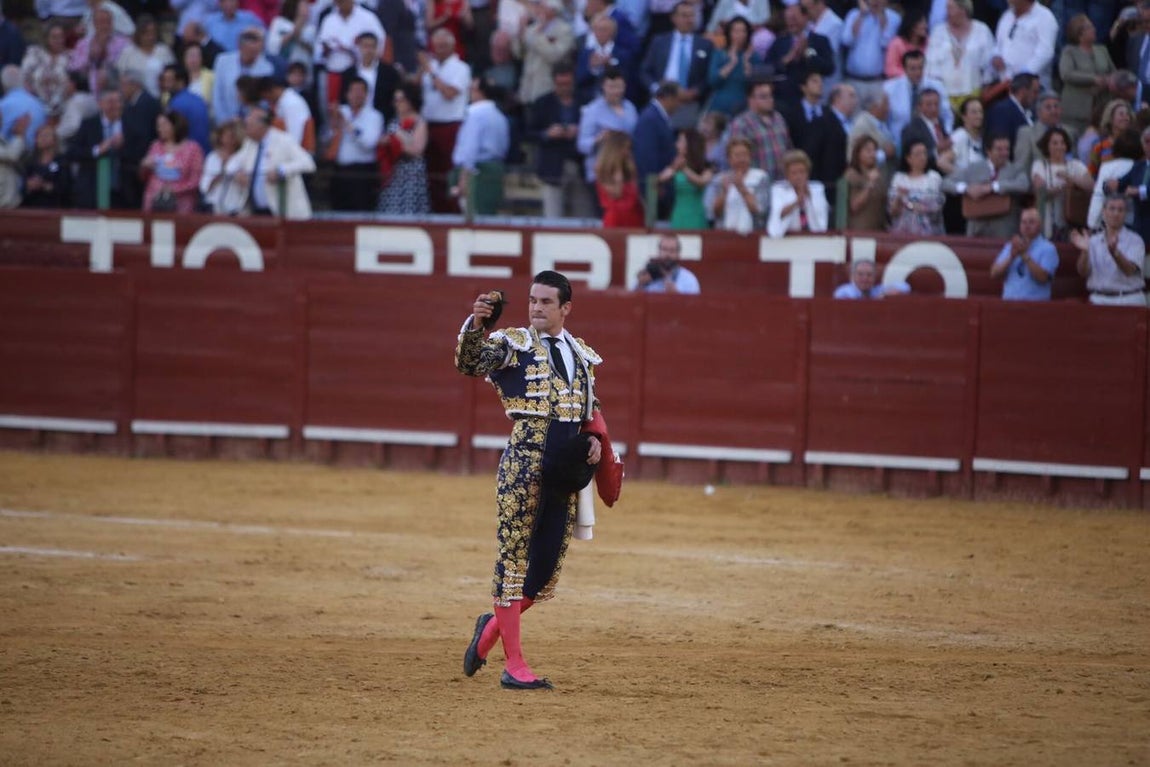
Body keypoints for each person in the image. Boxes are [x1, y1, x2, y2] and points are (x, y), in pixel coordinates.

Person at [456, 270, 604, 691]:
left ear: (565, 308)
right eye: (532, 300)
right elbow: (468, 362)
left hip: (564, 473)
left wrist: (594, 440)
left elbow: (589, 410)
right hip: (524, 464)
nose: (536, 308)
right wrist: (479, 326)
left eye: (545, 302)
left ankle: (488, 631)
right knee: (514, 562)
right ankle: (514, 665)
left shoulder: (583, 355)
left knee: (542, 577)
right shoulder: (512, 344)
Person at [224, 102, 316, 218]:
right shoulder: (249, 144)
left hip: (284, 213)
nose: (246, 129)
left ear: (262, 125)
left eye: (249, 125)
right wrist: (237, 173)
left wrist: (281, 170)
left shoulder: (283, 140)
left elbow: (308, 163)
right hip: (255, 212)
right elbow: (230, 165)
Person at [418, 28, 471, 213]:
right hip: (429, 124)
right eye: (436, 46)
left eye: (442, 46)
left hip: (450, 125)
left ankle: (452, 211)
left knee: (448, 173)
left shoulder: (461, 68)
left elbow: (449, 93)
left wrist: (432, 73)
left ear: (451, 46)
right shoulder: (431, 66)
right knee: (431, 175)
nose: (438, 50)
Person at [639, 1, 714, 131]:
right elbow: (645, 71)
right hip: (661, 98)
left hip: (688, 102)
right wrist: (656, 88)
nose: (689, 20)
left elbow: (708, 76)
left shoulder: (705, 45)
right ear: (673, 18)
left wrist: (696, 91)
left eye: (692, 15)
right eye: (684, 16)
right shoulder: (659, 41)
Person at [530, 64, 592, 219]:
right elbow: (528, 133)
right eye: (560, 84)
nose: (564, 88)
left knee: (583, 216)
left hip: (580, 165)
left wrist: (579, 132)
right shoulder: (542, 103)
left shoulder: (586, 101)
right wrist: (548, 134)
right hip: (553, 167)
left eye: (568, 84)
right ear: (553, 82)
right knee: (553, 217)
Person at [941, 133, 1030, 237]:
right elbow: (945, 183)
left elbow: (1024, 185)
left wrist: (992, 187)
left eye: (1007, 149)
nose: (1004, 153)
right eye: (999, 149)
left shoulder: (1016, 169)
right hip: (977, 227)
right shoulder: (974, 168)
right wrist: (966, 189)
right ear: (988, 151)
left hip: (1005, 228)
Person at [1072, 194, 1147, 306]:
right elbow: (1082, 272)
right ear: (1104, 212)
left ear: (1125, 214)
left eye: (1120, 210)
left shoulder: (1135, 240)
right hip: (1098, 299)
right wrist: (1085, 251)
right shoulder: (1093, 241)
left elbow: (1129, 271)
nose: (1116, 213)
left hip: (1128, 299)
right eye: (1112, 209)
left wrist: (1115, 253)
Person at [450, 76, 510, 215]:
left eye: (472, 89)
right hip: (495, 170)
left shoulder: (475, 114)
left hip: (477, 173)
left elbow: (470, 147)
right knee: (489, 215)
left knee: (474, 217)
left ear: (480, 92)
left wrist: (464, 177)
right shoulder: (499, 116)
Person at [924, 0, 994, 111]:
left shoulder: (982, 30)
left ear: (963, 10)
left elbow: (988, 66)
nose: (946, 12)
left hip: (973, 95)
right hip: (944, 98)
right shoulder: (938, 32)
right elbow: (930, 66)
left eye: (950, 8)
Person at [575, 66, 637, 188]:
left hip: (626, 171)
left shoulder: (630, 108)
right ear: (603, 87)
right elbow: (581, 144)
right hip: (602, 172)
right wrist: (599, 139)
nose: (616, 91)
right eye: (612, 87)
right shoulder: (592, 111)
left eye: (619, 87)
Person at [765, 3, 835, 106]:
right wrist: (787, 59)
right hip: (784, 99)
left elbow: (829, 68)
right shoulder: (779, 42)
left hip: (810, 99)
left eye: (794, 18)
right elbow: (767, 68)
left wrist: (808, 52)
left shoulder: (819, 40)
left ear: (805, 17)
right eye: (788, 19)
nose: (790, 22)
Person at [884, 50, 953, 155]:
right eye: (913, 69)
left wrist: (945, 136)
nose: (917, 72)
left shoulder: (937, 86)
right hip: (898, 144)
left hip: (931, 143)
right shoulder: (890, 88)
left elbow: (947, 115)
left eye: (920, 68)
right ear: (904, 69)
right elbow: (885, 120)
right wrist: (889, 141)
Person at [377, 81, 431, 215]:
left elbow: (418, 149)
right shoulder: (394, 121)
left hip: (411, 173)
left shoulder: (419, 122)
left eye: (401, 100)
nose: (398, 103)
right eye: (396, 100)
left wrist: (397, 142)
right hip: (394, 172)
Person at [1060, 14, 1118, 137]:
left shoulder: (1102, 50)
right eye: (1090, 28)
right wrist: (1093, 79)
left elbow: (1114, 72)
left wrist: (1109, 80)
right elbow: (1066, 74)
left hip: (1102, 107)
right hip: (1077, 112)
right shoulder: (1069, 51)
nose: (1094, 30)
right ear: (1079, 33)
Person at [1032, 126, 1092, 240]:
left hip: (1073, 222)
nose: (1059, 147)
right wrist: (1064, 187)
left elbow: (1090, 185)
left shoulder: (1076, 165)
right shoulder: (1039, 165)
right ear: (1047, 146)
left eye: (1062, 143)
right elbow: (1040, 190)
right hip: (1049, 221)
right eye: (1055, 143)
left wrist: (1071, 179)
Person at [140, 110, 205, 213]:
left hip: (182, 206)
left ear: (176, 125)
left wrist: (173, 190)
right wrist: (144, 166)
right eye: (158, 126)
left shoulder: (193, 149)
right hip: (154, 203)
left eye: (164, 125)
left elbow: (195, 180)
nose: (160, 129)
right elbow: (144, 177)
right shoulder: (155, 146)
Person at [728, 79, 792, 183]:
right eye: (763, 97)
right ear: (750, 99)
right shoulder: (741, 124)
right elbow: (736, 159)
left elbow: (788, 148)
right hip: (756, 184)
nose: (769, 99)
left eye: (770, 95)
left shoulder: (779, 118)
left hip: (782, 184)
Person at [989, 206, 1059, 300]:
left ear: (1040, 225)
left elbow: (1043, 278)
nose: (1027, 226)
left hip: (1035, 306)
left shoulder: (1048, 248)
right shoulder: (1010, 246)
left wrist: (1024, 255)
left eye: (1031, 222)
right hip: (1009, 304)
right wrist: (1011, 256)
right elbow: (994, 273)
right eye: (1024, 222)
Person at [632, 80, 679, 220]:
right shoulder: (650, 119)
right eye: (677, 100)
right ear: (669, 98)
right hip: (656, 187)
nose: (679, 105)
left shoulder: (657, 117)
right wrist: (653, 185)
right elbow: (646, 156)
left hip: (661, 185)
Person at [513, 0, 574, 107]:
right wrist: (520, 34)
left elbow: (555, 56)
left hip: (547, 87)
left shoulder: (565, 30)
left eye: (542, 6)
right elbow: (519, 54)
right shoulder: (532, 29)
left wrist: (538, 36)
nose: (537, 9)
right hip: (529, 89)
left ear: (553, 9)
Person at [840, 0, 901, 104]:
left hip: (877, 82)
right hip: (854, 80)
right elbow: (846, 40)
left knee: (876, 118)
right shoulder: (853, 14)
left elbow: (886, 43)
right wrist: (861, 16)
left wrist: (881, 16)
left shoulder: (894, 18)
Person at [990, 0, 1058, 93]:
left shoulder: (1045, 17)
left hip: (1033, 87)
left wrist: (1023, 76)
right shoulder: (1006, 16)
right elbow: (998, 44)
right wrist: (996, 56)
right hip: (1004, 84)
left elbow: (1045, 52)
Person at [708, 137, 769, 234]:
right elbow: (714, 213)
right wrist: (724, 192)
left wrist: (741, 188)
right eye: (737, 155)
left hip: (753, 235)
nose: (741, 159)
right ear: (729, 159)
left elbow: (761, 211)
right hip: (725, 235)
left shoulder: (761, 177)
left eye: (745, 155)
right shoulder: (720, 179)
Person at [212, 27, 274, 122]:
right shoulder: (223, 61)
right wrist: (225, 122)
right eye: (249, 50)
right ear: (241, 46)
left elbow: (264, 102)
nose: (253, 54)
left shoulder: (267, 68)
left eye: (256, 51)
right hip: (226, 121)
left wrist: (250, 122)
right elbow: (217, 95)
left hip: (251, 123)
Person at [888, 138, 945, 235]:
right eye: (918, 154)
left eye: (924, 153)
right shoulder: (899, 178)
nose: (922, 157)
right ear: (908, 158)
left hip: (930, 232)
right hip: (903, 233)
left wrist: (908, 203)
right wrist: (899, 198)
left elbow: (936, 205)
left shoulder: (933, 177)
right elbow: (892, 211)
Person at [768, 149, 829, 238]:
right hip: (787, 239)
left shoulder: (817, 189)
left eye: (802, 172)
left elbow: (821, 217)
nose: (798, 176)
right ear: (787, 175)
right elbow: (778, 214)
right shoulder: (778, 189)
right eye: (794, 173)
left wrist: (809, 195)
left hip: (812, 238)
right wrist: (797, 201)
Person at [659, 128, 712, 229]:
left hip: (695, 214)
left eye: (680, 141)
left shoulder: (705, 167)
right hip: (678, 213)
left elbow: (701, 181)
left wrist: (684, 169)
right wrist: (673, 169)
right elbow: (660, 179)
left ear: (690, 144)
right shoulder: (675, 165)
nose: (676, 145)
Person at [1088, 127, 1140, 229]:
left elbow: (1098, 196)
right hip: (1134, 224)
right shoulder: (1141, 168)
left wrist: (1092, 224)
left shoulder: (1107, 167)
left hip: (1108, 224)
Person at [706, 17, 757, 118]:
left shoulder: (754, 56)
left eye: (743, 31)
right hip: (719, 107)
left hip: (744, 109)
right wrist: (731, 63)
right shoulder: (719, 54)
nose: (740, 35)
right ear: (729, 33)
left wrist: (746, 64)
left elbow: (755, 86)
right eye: (736, 31)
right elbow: (712, 81)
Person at [983, 72, 1039, 161]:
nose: (1037, 96)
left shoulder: (1031, 112)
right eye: (1035, 92)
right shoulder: (1002, 110)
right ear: (1023, 91)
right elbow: (999, 143)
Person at [116, 14, 176, 98]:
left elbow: (172, 74)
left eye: (153, 32)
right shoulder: (128, 52)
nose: (150, 36)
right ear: (139, 34)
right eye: (146, 33)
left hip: (161, 97)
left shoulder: (163, 51)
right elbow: (119, 75)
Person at [594, 129, 644, 227]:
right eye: (626, 148)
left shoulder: (629, 169)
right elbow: (617, 192)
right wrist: (618, 170)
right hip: (615, 219)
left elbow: (635, 195)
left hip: (634, 217)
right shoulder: (604, 171)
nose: (628, 152)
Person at [20, 21, 71, 116]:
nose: (59, 40)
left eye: (61, 37)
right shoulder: (35, 52)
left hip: (61, 105)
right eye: (54, 37)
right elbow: (24, 77)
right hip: (35, 102)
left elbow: (71, 84)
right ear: (46, 38)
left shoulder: (69, 57)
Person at [199, 118, 246, 214]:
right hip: (212, 206)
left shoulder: (242, 157)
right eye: (225, 136)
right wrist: (216, 178)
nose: (228, 139)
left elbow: (245, 183)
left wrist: (234, 174)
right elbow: (203, 186)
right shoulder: (212, 157)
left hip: (235, 208)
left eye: (232, 136)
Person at [162, 65, 211, 154]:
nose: (165, 84)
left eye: (169, 80)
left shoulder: (176, 104)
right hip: (204, 152)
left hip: (187, 155)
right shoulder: (199, 99)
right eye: (164, 80)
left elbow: (171, 136)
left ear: (181, 82)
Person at [845, 135, 888, 230]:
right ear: (858, 153)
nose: (872, 154)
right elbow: (854, 206)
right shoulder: (852, 175)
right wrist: (869, 183)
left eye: (874, 151)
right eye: (868, 151)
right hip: (859, 231)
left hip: (879, 231)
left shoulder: (879, 176)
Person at [22, 123, 70, 207]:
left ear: (54, 140)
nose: (42, 138)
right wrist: (29, 185)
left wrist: (44, 185)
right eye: (39, 136)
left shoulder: (62, 161)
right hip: (32, 207)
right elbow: (23, 184)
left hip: (56, 207)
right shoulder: (30, 161)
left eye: (46, 135)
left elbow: (65, 186)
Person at [1116, 127, 1150, 245]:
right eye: (1147, 142)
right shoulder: (1138, 166)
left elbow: (1138, 191)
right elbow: (1121, 184)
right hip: (1139, 227)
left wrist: (1139, 191)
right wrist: (1110, 184)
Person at [634, 232, 700, 292]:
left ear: (678, 254)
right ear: (659, 252)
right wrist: (640, 285)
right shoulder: (647, 275)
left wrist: (677, 296)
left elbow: (695, 304)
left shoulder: (689, 280)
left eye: (672, 250)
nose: (668, 254)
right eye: (664, 249)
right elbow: (632, 301)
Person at [1088, 99, 1133, 176]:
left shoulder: (1134, 142)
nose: (1126, 118)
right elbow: (1092, 170)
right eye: (1121, 114)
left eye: (1127, 114)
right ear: (1111, 119)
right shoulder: (1099, 144)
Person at [833, 259, 910, 298]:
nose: (865, 278)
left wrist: (885, 294)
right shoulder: (844, 291)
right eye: (860, 274)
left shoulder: (877, 290)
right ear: (853, 277)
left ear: (874, 277)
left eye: (869, 275)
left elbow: (905, 287)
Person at [884, 9, 928, 79]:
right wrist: (912, 74)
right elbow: (890, 70)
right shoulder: (896, 44)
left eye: (925, 21)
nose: (925, 25)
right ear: (912, 25)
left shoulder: (928, 43)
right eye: (921, 22)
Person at [0, 113, 29, 208]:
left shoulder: (3, 139)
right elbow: (11, 155)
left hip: (9, 198)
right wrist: (19, 135)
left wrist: (20, 136)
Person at [950, 96, 986, 171]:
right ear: (964, 117)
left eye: (980, 112)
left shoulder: (983, 137)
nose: (979, 116)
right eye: (974, 112)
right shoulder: (960, 136)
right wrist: (963, 176)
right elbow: (942, 162)